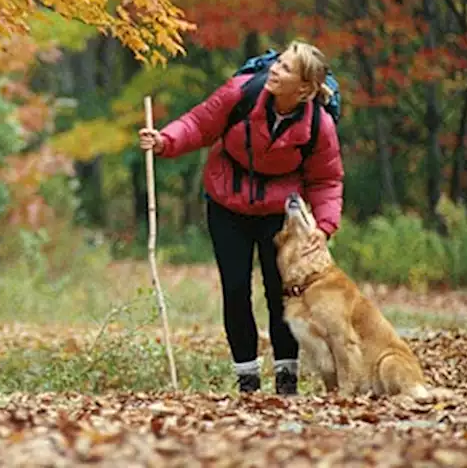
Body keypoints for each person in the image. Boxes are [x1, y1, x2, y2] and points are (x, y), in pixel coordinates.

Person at [139, 41, 343, 396]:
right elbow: (199, 124)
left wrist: (324, 227)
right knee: (235, 290)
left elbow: (326, 179)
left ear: (305, 88)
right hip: (226, 203)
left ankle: (286, 380)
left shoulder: (318, 125)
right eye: (277, 63)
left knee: (281, 294)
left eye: (285, 68)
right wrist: (164, 141)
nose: (274, 70)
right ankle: (247, 379)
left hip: (279, 214)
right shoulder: (241, 93)